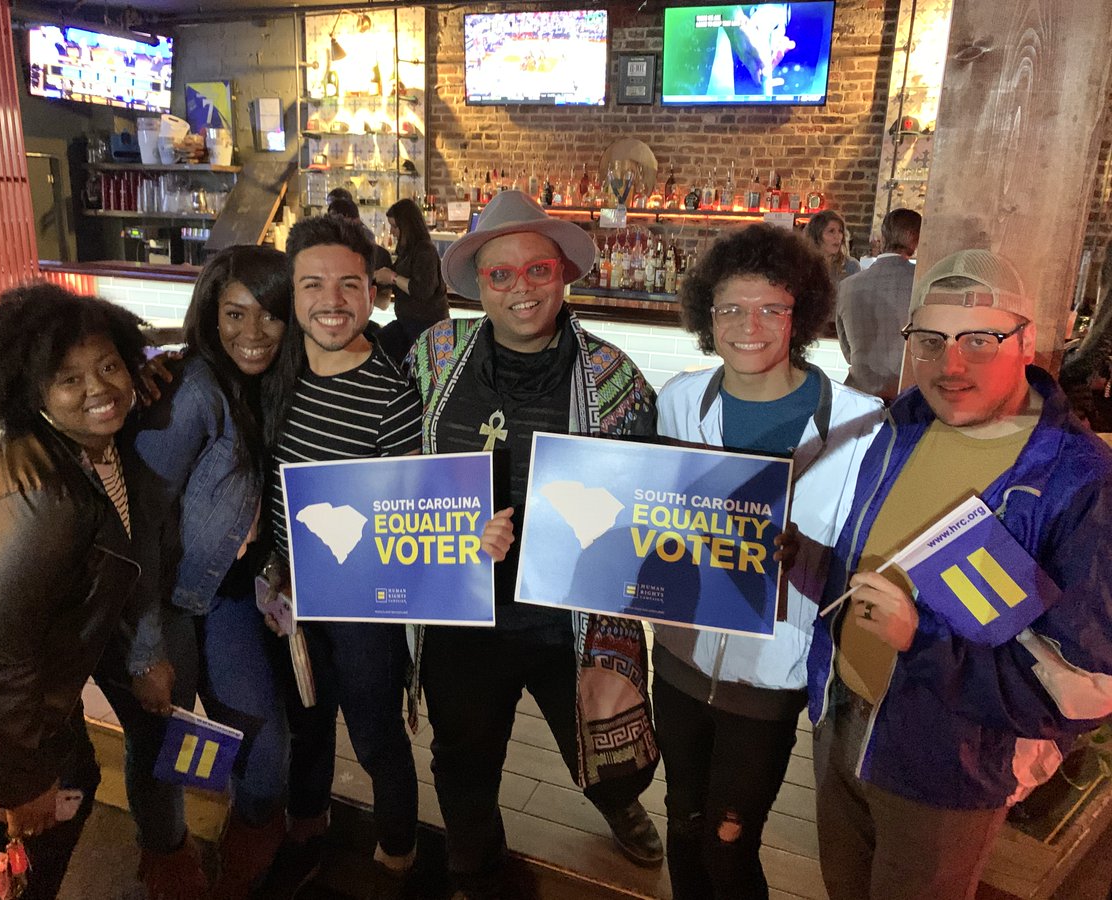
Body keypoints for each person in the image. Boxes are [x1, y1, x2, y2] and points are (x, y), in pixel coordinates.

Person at [807, 249, 1112, 900]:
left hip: (948, 769)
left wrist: (918, 641)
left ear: (1026, 340)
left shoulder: (1078, 481)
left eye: (980, 339)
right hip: (839, 725)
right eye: (930, 339)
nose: (950, 364)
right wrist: (792, 557)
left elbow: (1084, 690)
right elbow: (863, 574)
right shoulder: (903, 426)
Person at [405, 190, 663, 898]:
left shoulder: (613, 377)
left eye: (538, 270)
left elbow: (650, 496)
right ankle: (476, 867)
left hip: (567, 615)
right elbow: (396, 468)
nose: (522, 288)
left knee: (603, 743)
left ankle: (619, 803)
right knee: (463, 754)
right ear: (479, 287)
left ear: (564, 275)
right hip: (464, 610)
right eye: (501, 275)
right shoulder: (433, 355)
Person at [652, 224, 884, 900]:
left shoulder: (862, 425)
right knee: (681, 822)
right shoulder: (677, 402)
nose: (748, 325)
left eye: (770, 308)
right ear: (705, 316)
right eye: (730, 308)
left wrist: (803, 560)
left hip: (772, 676)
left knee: (729, 843)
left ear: (801, 314)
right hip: (679, 660)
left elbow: (870, 570)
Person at [0, 284, 155, 899]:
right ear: (31, 388)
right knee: (31, 830)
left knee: (72, 782)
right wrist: (22, 787)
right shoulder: (39, 497)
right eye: (68, 378)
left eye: (109, 365)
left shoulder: (68, 444)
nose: (98, 387)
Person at [107, 246, 294, 900]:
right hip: (170, 604)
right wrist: (146, 646)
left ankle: (241, 860)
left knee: (264, 753)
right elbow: (134, 529)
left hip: (233, 596)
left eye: (271, 314)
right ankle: (169, 864)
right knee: (162, 747)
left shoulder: (268, 383)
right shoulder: (189, 392)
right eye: (235, 314)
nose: (253, 332)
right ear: (210, 315)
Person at [259, 214, 423, 899]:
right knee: (305, 726)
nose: (332, 299)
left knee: (376, 727)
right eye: (314, 284)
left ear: (372, 290)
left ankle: (400, 849)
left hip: (361, 605)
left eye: (350, 284)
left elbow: (410, 516)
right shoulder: (270, 375)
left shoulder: (391, 393)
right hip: (284, 598)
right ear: (291, 294)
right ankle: (305, 832)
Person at [835, 208, 923, 402]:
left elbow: (847, 350)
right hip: (908, 397)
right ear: (917, 241)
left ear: (882, 237)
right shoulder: (923, 283)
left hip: (858, 396)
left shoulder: (847, 285)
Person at [373, 197, 450, 364]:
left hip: (426, 327)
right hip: (408, 324)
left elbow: (422, 291)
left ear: (407, 226)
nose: (392, 232)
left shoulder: (425, 251)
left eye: (395, 226)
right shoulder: (407, 251)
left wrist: (392, 277)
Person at [806, 209, 860, 284]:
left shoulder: (851, 266)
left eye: (840, 231)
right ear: (817, 236)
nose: (837, 237)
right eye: (831, 231)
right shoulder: (804, 265)